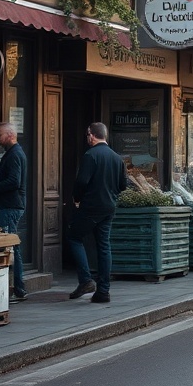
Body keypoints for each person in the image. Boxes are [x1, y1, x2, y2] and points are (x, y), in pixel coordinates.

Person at [67, 122, 129, 303]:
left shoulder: (90, 155)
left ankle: (86, 280)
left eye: (87, 135)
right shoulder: (117, 158)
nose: (87, 139)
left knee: (74, 236)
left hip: (91, 206)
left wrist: (76, 199)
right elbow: (123, 185)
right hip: (109, 207)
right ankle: (103, 291)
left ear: (91, 135)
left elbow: (81, 182)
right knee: (104, 246)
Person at [0, 122, 28, 302]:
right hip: (11, 205)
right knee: (10, 246)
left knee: (8, 247)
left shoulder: (14, 154)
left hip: (10, 206)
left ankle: (18, 287)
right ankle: (17, 287)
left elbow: (13, 181)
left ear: (10, 135)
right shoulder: (14, 153)